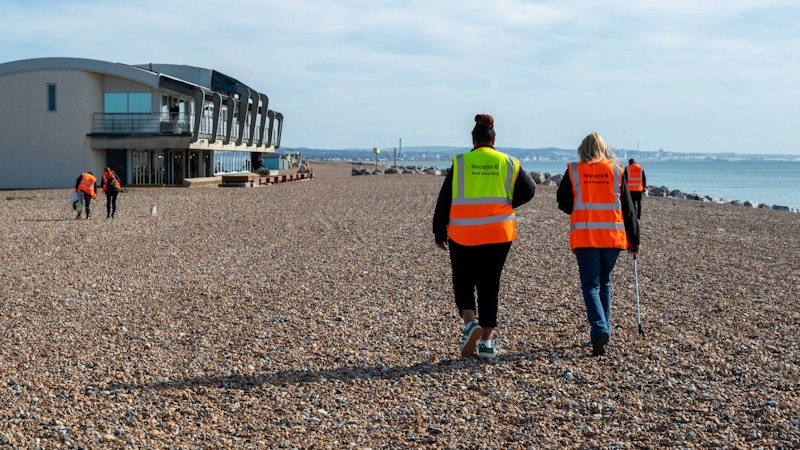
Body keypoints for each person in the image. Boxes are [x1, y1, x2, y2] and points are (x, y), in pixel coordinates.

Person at [433, 114, 536, 359]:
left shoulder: (461, 162)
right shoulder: (508, 162)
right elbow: (530, 190)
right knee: (490, 286)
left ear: (473, 138)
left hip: (463, 232)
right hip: (498, 232)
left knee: (463, 280)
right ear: (494, 138)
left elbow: (444, 199)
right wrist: (506, 203)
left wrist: (439, 231)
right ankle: (487, 345)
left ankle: (470, 324)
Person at [556, 132, 640, 357]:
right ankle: (603, 331)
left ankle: (600, 328)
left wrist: (578, 210)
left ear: (582, 149)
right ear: (604, 148)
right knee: (604, 283)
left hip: (585, 235)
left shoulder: (574, 170)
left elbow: (562, 201)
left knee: (590, 284)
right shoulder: (615, 170)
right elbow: (628, 209)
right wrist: (635, 239)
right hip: (612, 236)